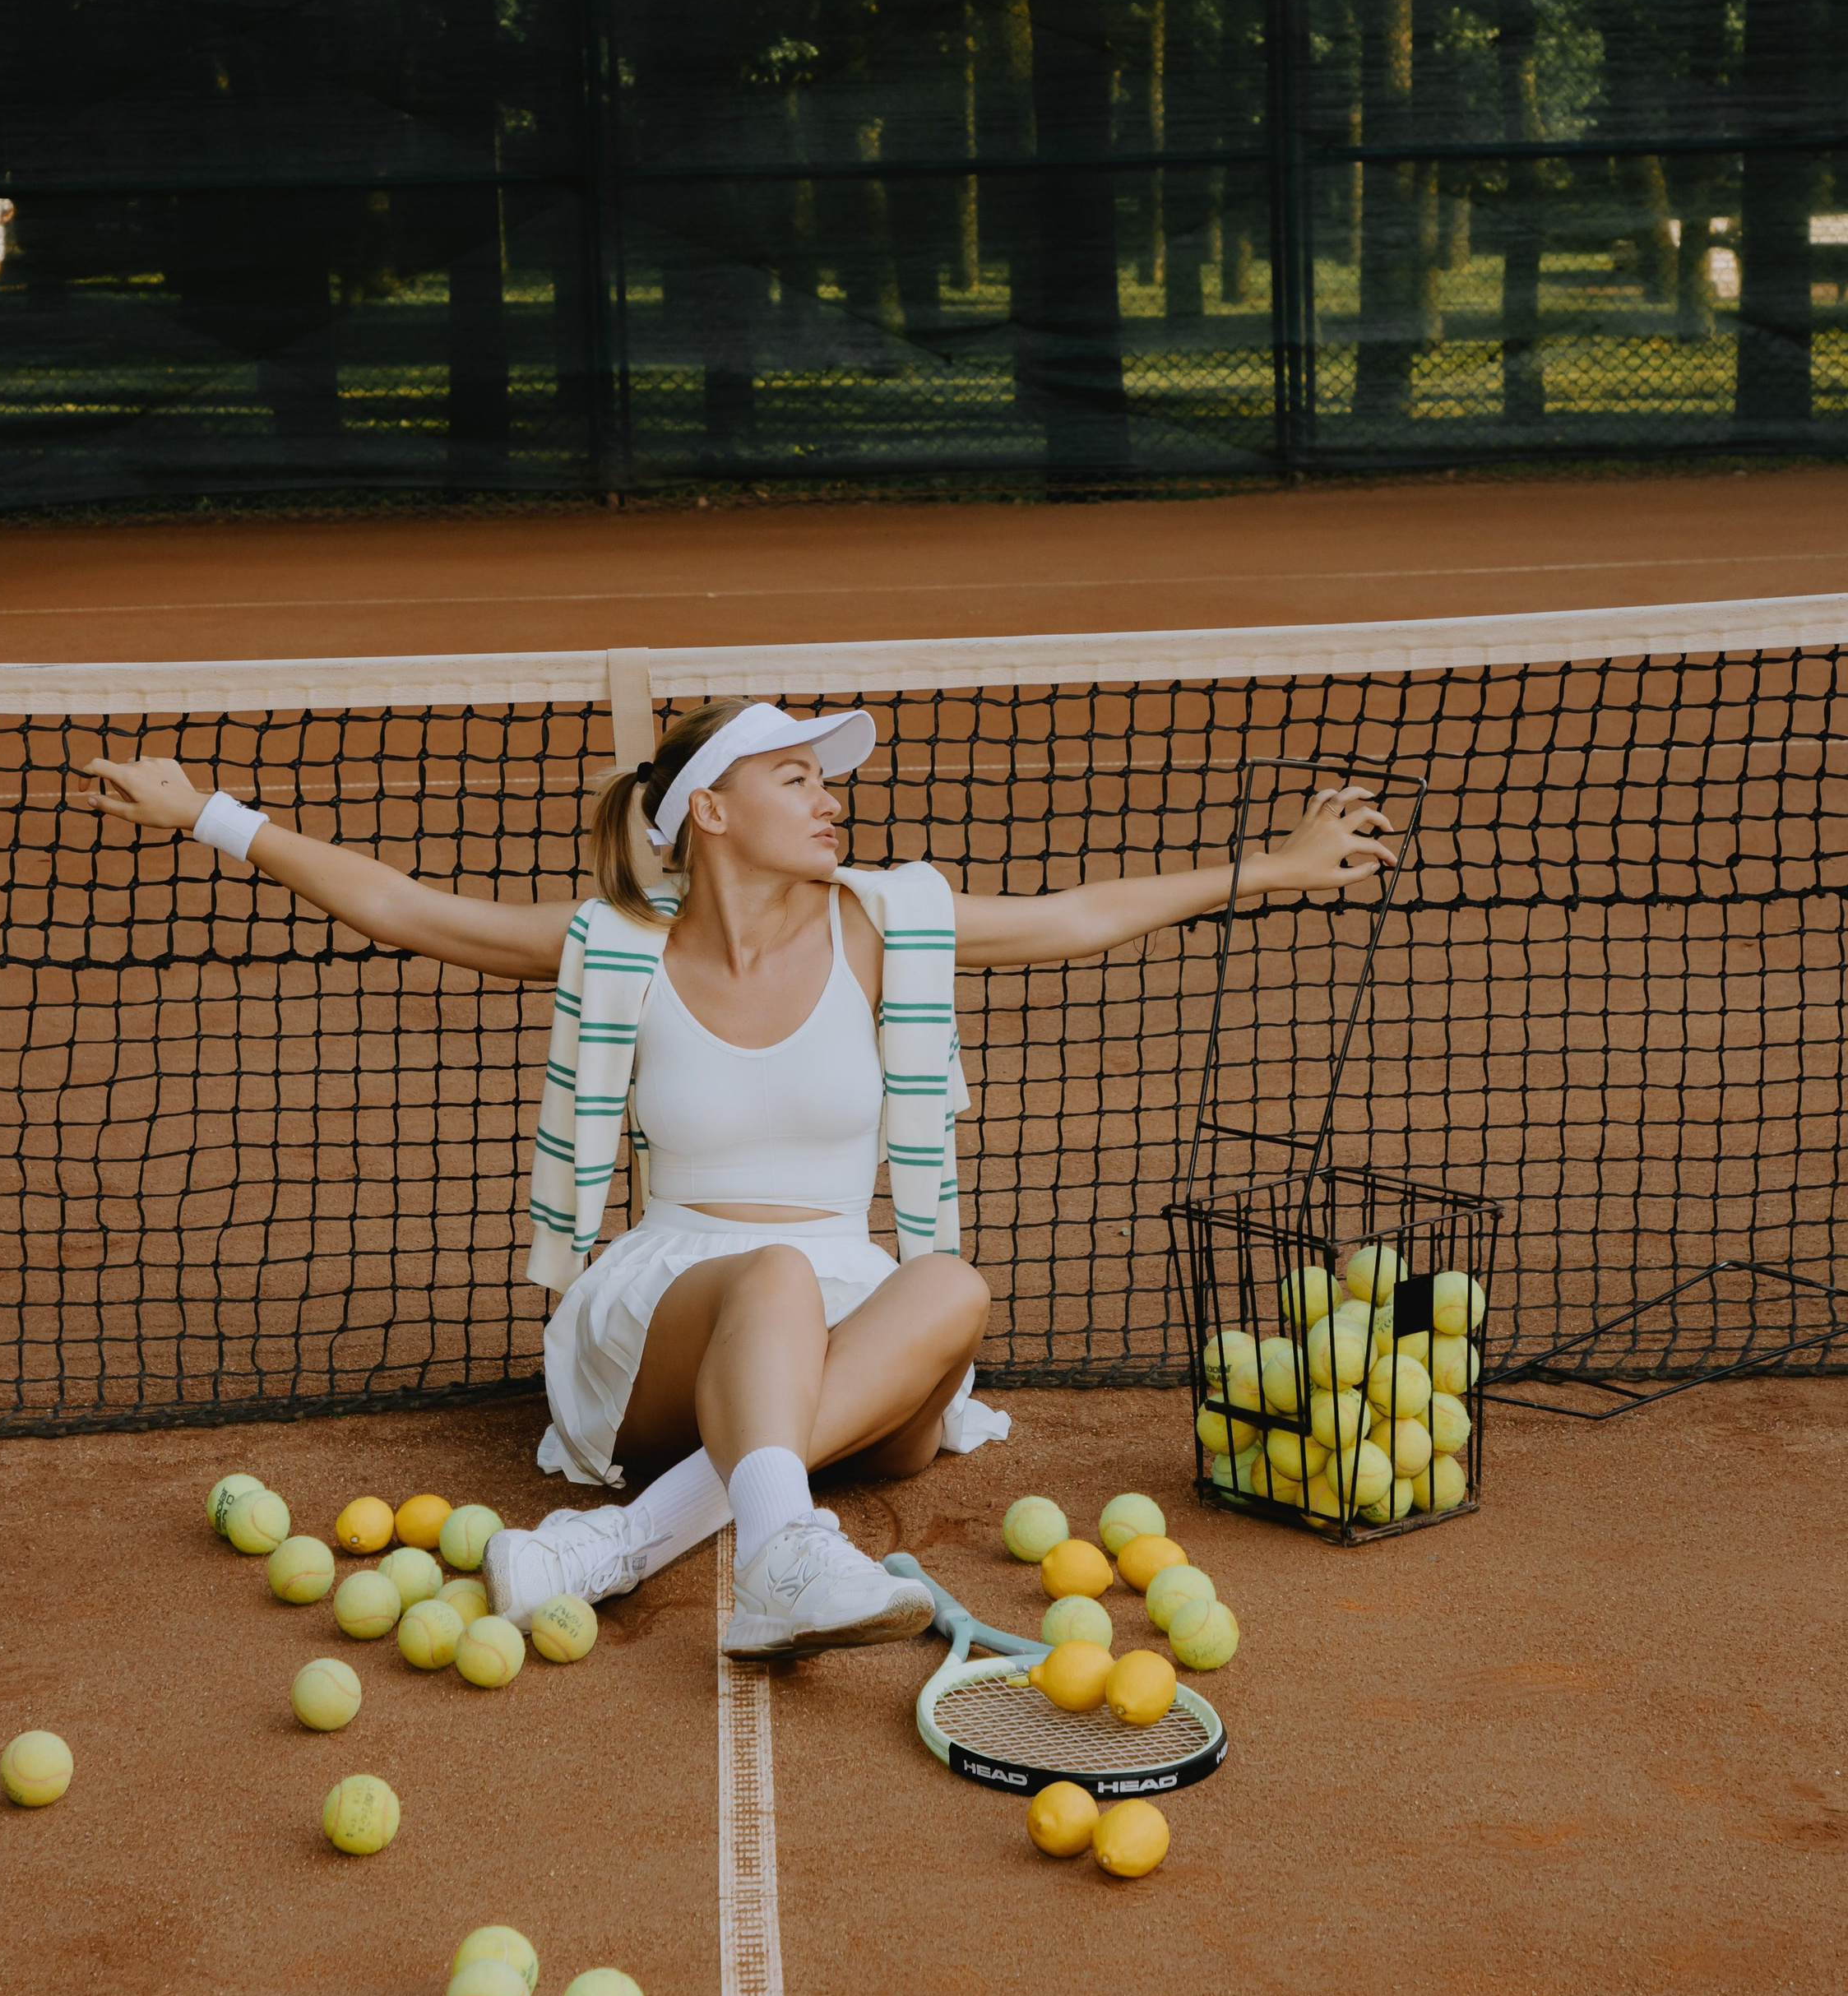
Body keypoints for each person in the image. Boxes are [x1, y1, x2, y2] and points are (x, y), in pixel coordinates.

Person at [81, 698, 1392, 1659]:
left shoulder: (886, 926)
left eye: (830, 782)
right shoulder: (616, 950)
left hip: (853, 1302)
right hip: (668, 1304)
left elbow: (1076, 915)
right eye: (795, 776)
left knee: (951, 1282)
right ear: (710, 808)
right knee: (771, 1278)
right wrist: (212, 814)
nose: (832, 797)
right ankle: (778, 1544)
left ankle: (626, 1547)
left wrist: (1268, 868)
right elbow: (411, 907)